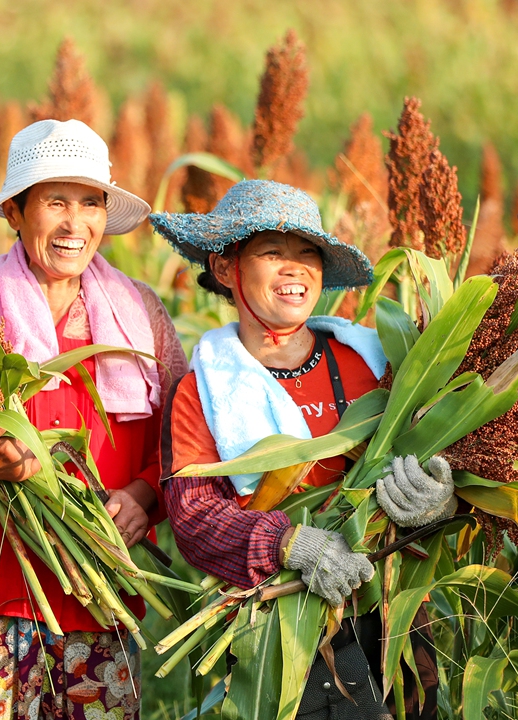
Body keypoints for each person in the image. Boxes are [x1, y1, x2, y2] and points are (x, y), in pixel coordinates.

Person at [0, 119, 189, 720]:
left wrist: (144, 495)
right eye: (55, 200)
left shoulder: (142, 315)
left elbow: (184, 441)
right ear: (14, 210)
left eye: (90, 202)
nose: (73, 223)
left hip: (100, 591)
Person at [150, 180, 453, 719]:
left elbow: (433, 445)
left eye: (307, 254)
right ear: (226, 269)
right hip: (282, 624)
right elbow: (193, 518)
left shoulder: (375, 361)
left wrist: (438, 499)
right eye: (272, 252)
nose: (295, 269)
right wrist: (289, 544)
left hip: (392, 607)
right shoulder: (203, 392)